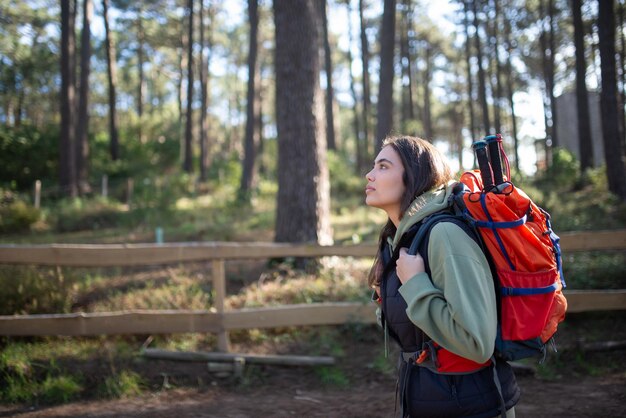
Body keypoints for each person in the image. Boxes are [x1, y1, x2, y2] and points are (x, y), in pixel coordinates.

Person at [365, 135, 520, 418]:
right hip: (429, 398)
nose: (370, 174)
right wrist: (386, 295)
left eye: (383, 166)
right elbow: (413, 334)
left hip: (471, 407)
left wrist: (414, 284)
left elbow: (476, 344)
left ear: (413, 175)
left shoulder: (444, 235)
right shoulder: (401, 239)